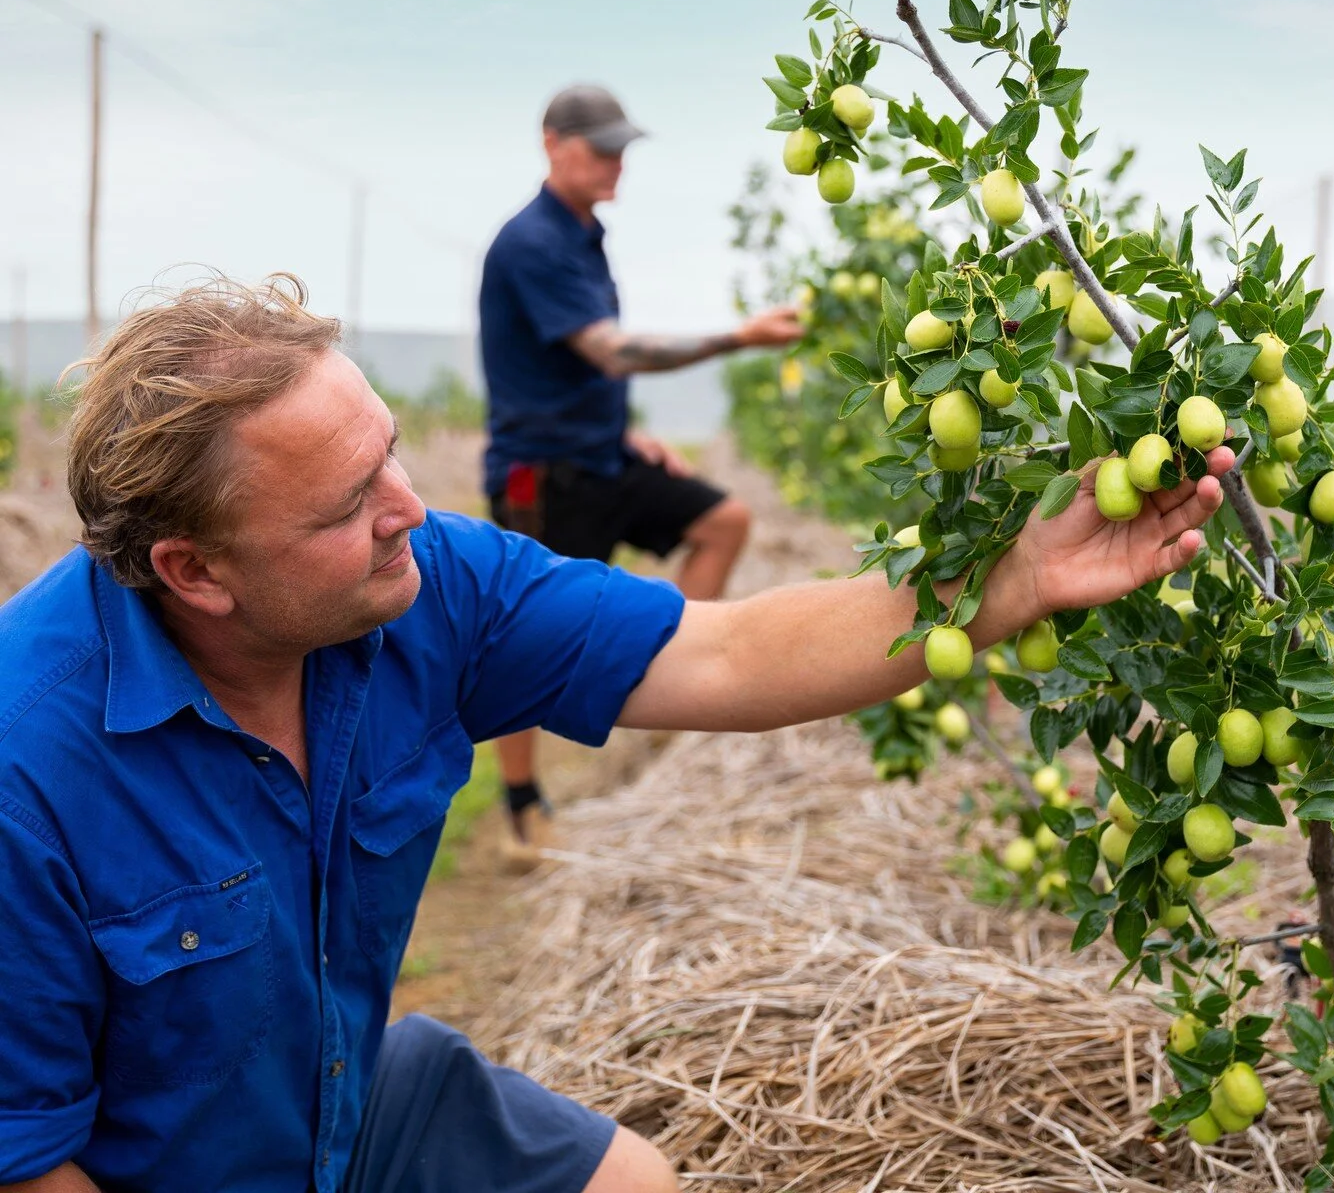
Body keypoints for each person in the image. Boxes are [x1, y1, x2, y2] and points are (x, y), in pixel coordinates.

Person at [0, 275, 1232, 1193]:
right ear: (194, 571)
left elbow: (727, 651)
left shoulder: (431, 587)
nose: (410, 509)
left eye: (390, 456)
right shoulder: (28, 767)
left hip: (338, 1099)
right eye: (346, 506)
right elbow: (27, 1162)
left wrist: (1011, 582)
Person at [479, 85, 802, 870]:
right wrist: (737, 338)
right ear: (552, 144)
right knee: (518, 636)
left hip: (601, 453)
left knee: (722, 521)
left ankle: (659, 686)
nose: (615, 163)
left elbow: (574, 368)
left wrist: (625, 433)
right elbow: (613, 353)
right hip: (541, 472)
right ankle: (522, 807)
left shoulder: (585, 235)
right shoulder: (532, 243)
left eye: (621, 149)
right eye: (600, 149)